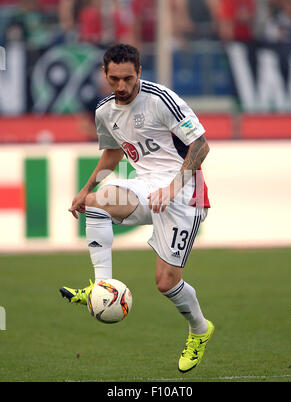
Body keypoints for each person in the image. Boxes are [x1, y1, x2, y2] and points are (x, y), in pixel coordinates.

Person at [60, 43, 214, 373]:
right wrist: (85, 188)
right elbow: (113, 155)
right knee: (96, 204)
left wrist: (172, 187)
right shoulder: (104, 111)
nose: (121, 86)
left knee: (166, 283)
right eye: (114, 79)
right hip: (144, 187)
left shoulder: (162, 100)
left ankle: (200, 329)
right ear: (105, 75)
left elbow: (201, 146)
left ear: (140, 72)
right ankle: (103, 286)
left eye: (128, 78)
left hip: (185, 192)